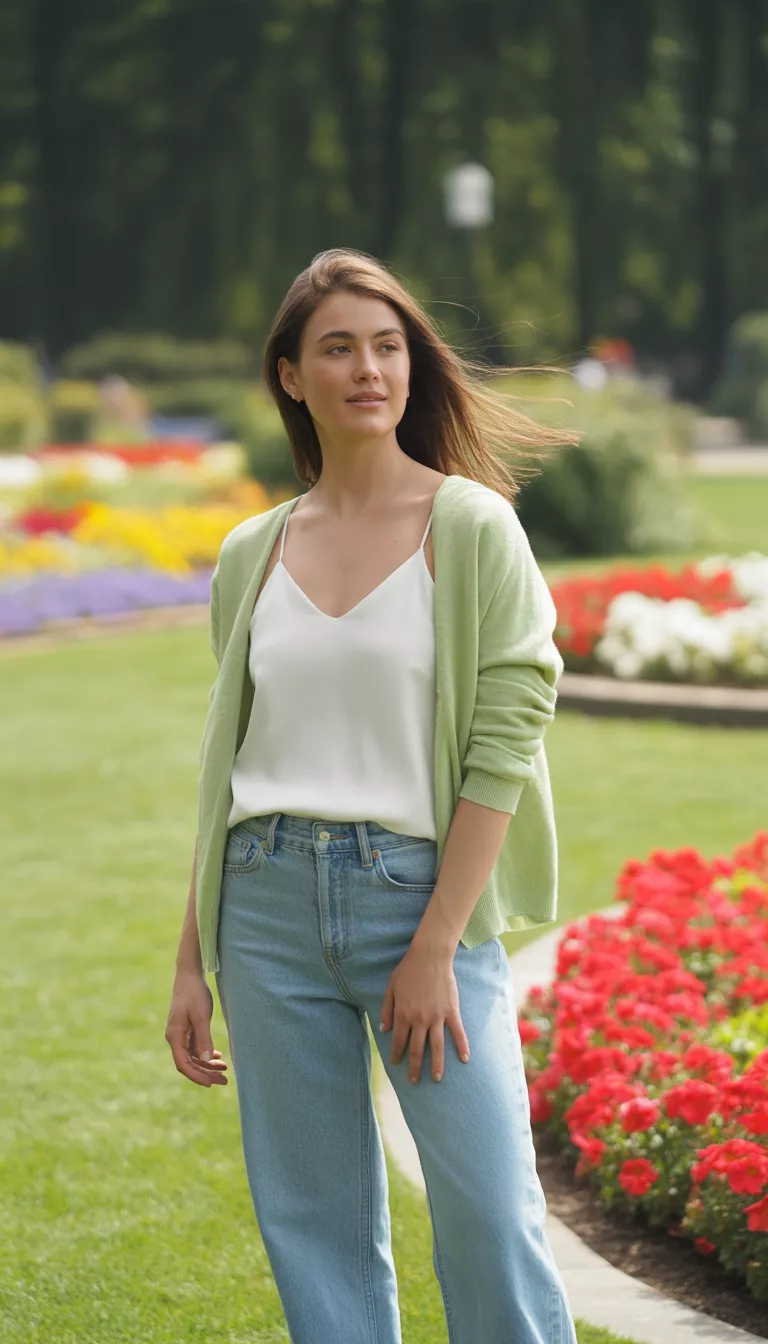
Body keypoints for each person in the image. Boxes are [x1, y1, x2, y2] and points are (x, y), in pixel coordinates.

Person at [165, 247, 579, 1344]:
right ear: (291, 377)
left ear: (413, 367)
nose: (368, 368)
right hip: (263, 908)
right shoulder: (251, 552)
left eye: (388, 345)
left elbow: (508, 735)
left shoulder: (472, 527)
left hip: (417, 901)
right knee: (315, 1229)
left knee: (491, 1215)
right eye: (338, 347)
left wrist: (438, 942)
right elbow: (230, 760)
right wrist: (189, 957)